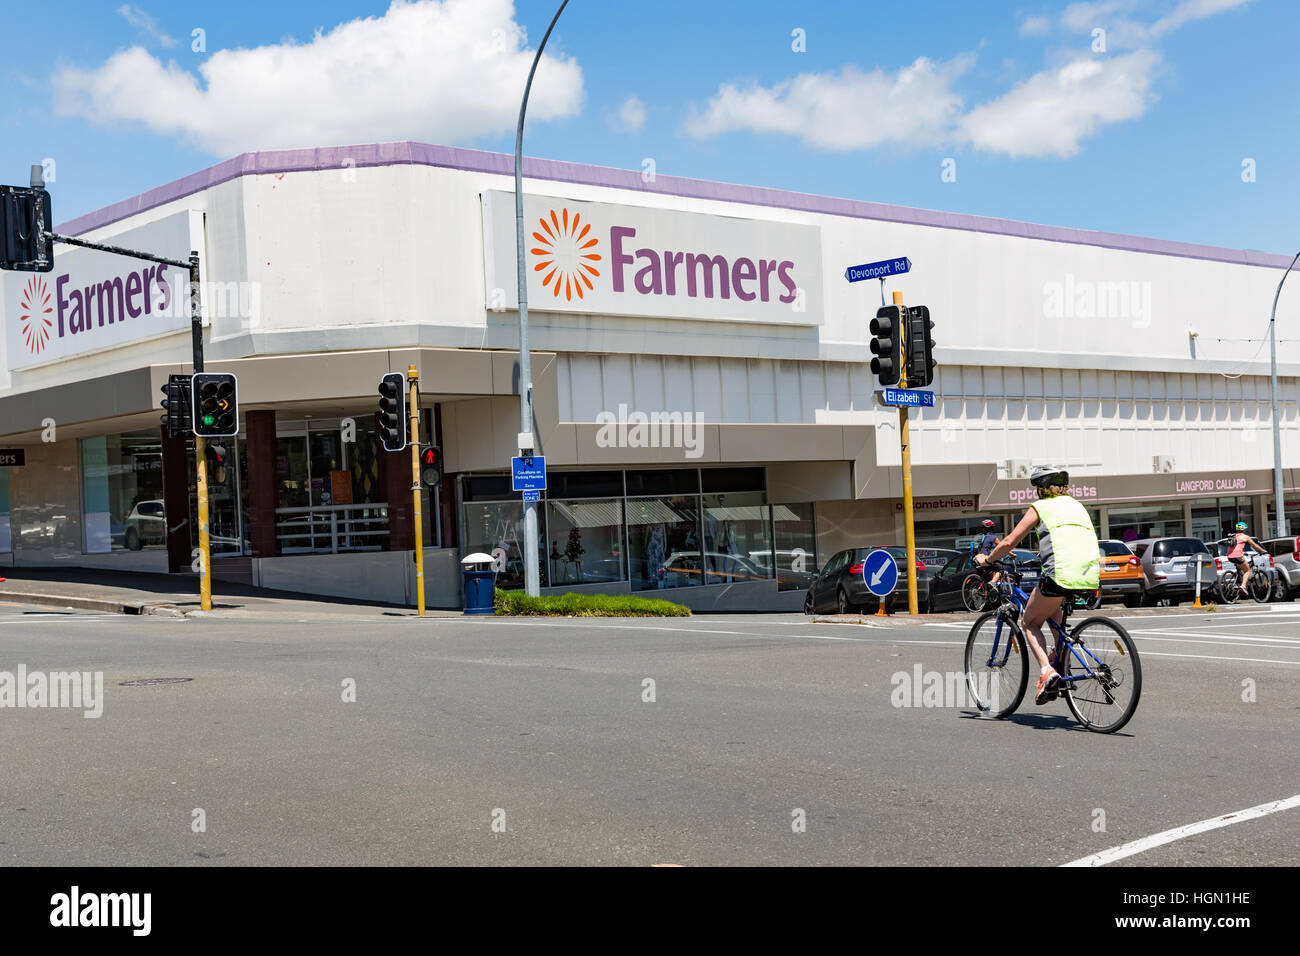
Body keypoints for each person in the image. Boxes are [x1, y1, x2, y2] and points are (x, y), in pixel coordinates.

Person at [975, 465, 1100, 705]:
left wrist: (988, 559)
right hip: (1088, 574)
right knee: (1053, 613)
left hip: (1059, 575)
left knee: (1029, 622)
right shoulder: (1077, 505)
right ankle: (1062, 660)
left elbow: (1010, 541)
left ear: (1042, 488)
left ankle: (1047, 671)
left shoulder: (1040, 507)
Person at [1226, 521, 1266, 593]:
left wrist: (1242, 552)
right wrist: (1263, 550)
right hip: (1238, 556)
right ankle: (1243, 586)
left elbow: (1234, 547)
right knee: (1247, 570)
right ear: (1244, 529)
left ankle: (1236, 582)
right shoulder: (1245, 537)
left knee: (1239, 567)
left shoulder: (1232, 536)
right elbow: (1254, 545)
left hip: (1229, 556)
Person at [976, 519, 1003, 586]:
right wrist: (1012, 554)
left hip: (977, 559)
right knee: (1000, 569)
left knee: (987, 577)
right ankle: (993, 582)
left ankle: (987, 590)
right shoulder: (992, 537)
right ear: (991, 528)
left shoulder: (980, 537)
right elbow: (1002, 546)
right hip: (985, 559)